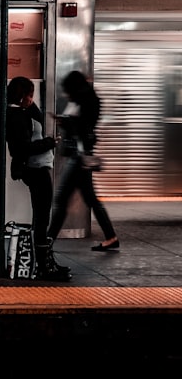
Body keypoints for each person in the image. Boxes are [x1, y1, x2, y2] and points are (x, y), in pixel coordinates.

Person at [5, 76, 69, 281]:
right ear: (22, 95)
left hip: (39, 168)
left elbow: (38, 121)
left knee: (41, 217)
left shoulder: (23, 111)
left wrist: (32, 106)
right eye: (30, 95)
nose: (32, 98)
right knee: (41, 219)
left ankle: (46, 263)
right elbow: (22, 148)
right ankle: (44, 266)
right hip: (35, 170)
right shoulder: (15, 116)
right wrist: (50, 143)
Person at [48, 70, 119, 253]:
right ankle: (111, 237)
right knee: (91, 199)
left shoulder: (84, 101)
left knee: (61, 197)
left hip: (78, 158)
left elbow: (83, 127)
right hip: (80, 156)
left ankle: (47, 241)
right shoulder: (88, 99)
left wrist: (66, 122)